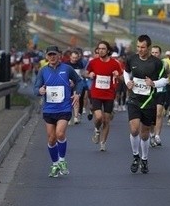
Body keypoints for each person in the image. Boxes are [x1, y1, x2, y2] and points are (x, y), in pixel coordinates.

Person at [33, 45, 85, 177]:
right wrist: (40, 91)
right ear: (46, 57)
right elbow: (36, 88)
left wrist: (77, 93)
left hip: (64, 108)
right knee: (51, 139)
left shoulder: (67, 69)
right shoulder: (43, 71)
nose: (52, 57)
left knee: (60, 134)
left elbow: (79, 82)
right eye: (49, 55)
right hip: (49, 109)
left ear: (59, 55)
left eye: (54, 54)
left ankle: (62, 161)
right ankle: (55, 164)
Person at [123, 34, 168, 174]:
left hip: (149, 101)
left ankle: (144, 158)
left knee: (144, 133)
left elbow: (166, 79)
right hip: (134, 99)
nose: (140, 49)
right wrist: (127, 82)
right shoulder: (131, 59)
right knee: (134, 129)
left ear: (148, 48)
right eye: (138, 47)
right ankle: (135, 156)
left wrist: (153, 83)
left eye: (142, 47)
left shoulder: (156, 63)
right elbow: (126, 72)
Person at [86, 40, 123, 152]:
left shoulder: (115, 63)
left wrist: (118, 75)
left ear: (108, 51)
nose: (100, 51)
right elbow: (85, 73)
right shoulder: (93, 62)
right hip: (96, 93)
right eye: (99, 49)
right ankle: (97, 129)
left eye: (103, 49)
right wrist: (89, 74)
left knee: (106, 120)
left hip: (109, 95)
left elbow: (122, 78)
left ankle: (103, 143)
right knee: (98, 117)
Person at [148, 45, 170, 147]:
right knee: (152, 115)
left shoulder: (164, 64)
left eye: (156, 52)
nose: (154, 54)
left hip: (161, 90)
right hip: (150, 92)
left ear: (160, 54)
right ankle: (152, 134)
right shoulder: (147, 63)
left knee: (159, 113)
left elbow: (168, 74)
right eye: (152, 52)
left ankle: (157, 135)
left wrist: (166, 81)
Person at [67, 48, 87, 124]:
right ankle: (68, 117)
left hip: (77, 84)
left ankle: (75, 117)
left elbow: (82, 73)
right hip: (68, 84)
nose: (75, 59)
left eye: (76, 58)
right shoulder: (66, 65)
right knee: (68, 100)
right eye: (73, 57)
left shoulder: (80, 64)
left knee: (76, 99)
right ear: (70, 57)